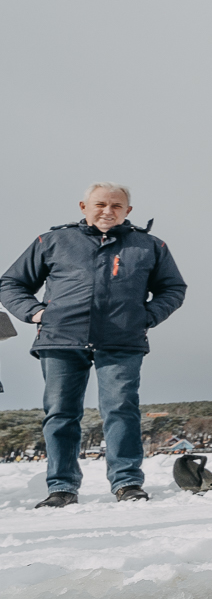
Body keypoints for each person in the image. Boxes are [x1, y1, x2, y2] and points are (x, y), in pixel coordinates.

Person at [1, 183, 189, 507]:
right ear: (83, 206)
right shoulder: (52, 241)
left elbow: (173, 288)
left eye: (116, 206)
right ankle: (61, 487)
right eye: (100, 204)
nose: (108, 211)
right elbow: (11, 283)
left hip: (122, 341)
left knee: (121, 409)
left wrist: (146, 316)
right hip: (61, 339)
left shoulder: (150, 246)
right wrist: (35, 313)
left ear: (128, 211)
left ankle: (127, 482)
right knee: (60, 413)